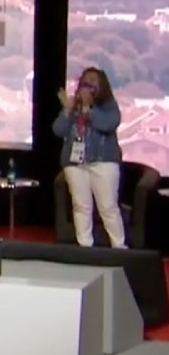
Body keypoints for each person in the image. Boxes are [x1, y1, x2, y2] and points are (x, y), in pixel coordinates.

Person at [53, 66, 125, 247]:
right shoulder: (73, 107)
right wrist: (67, 111)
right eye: (85, 81)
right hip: (75, 164)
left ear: (102, 85)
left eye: (93, 81)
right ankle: (85, 247)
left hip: (103, 163)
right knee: (81, 206)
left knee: (108, 207)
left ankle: (119, 248)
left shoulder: (109, 106)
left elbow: (108, 124)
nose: (88, 84)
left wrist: (87, 109)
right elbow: (58, 130)